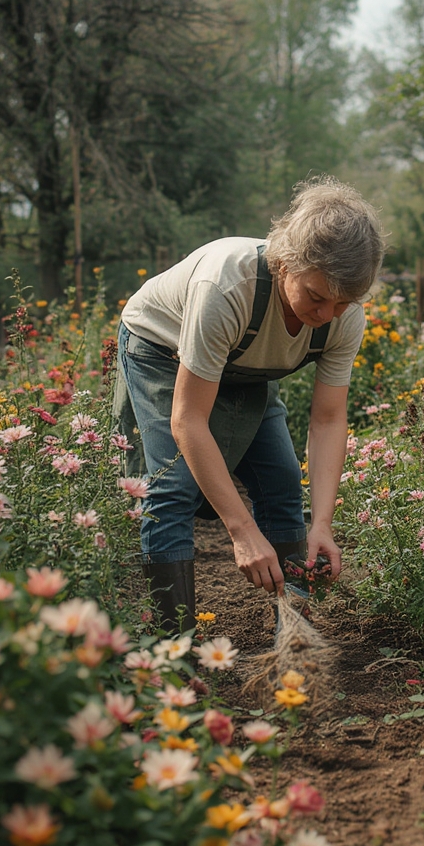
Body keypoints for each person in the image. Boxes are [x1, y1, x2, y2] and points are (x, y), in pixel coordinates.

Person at [114, 177, 384, 630]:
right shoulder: (226, 286)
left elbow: (329, 419)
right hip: (162, 351)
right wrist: (240, 531)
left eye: (342, 304)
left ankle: (294, 637)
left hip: (245, 367)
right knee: (172, 489)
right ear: (284, 262)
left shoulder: (343, 315)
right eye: (316, 297)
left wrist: (322, 523)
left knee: (280, 480)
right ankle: (172, 650)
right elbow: (188, 420)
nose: (325, 316)